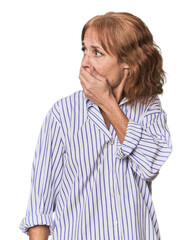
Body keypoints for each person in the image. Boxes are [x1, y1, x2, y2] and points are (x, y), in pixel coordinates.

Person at [20, 12, 172, 240]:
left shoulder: (149, 108)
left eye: (97, 53)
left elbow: (150, 165)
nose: (85, 63)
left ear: (128, 63)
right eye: (84, 50)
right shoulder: (62, 114)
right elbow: (39, 208)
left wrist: (109, 105)